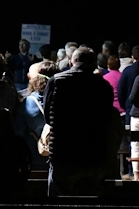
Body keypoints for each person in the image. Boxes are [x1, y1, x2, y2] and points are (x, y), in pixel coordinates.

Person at [43, 47, 114, 196]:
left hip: (63, 152)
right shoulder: (103, 86)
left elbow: (47, 117)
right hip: (94, 153)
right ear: (94, 64)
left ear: (71, 62)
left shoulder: (56, 81)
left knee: (58, 200)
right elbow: (108, 117)